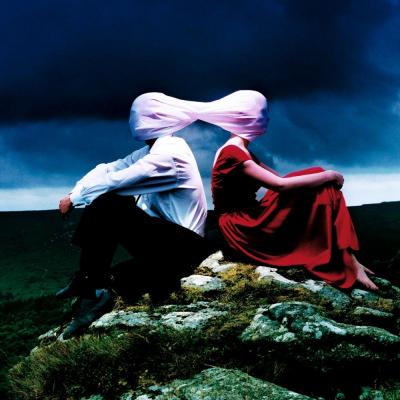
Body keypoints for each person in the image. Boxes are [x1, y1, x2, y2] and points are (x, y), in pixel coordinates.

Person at [57, 92, 210, 336]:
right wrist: (74, 192)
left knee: (110, 202)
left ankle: (88, 282)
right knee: (112, 277)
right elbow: (107, 169)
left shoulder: (170, 151)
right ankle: (88, 287)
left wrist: (76, 199)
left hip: (184, 246)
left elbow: (118, 181)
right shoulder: (152, 150)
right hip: (167, 243)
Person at [209, 90, 378, 291]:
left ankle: (350, 259)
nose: (267, 118)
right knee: (321, 179)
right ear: (248, 117)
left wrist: (321, 177)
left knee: (316, 177)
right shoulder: (232, 153)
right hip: (241, 227)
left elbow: (284, 180)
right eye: (263, 113)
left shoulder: (240, 150)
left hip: (248, 218)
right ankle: (349, 260)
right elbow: (280, 185)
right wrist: (329, 175)